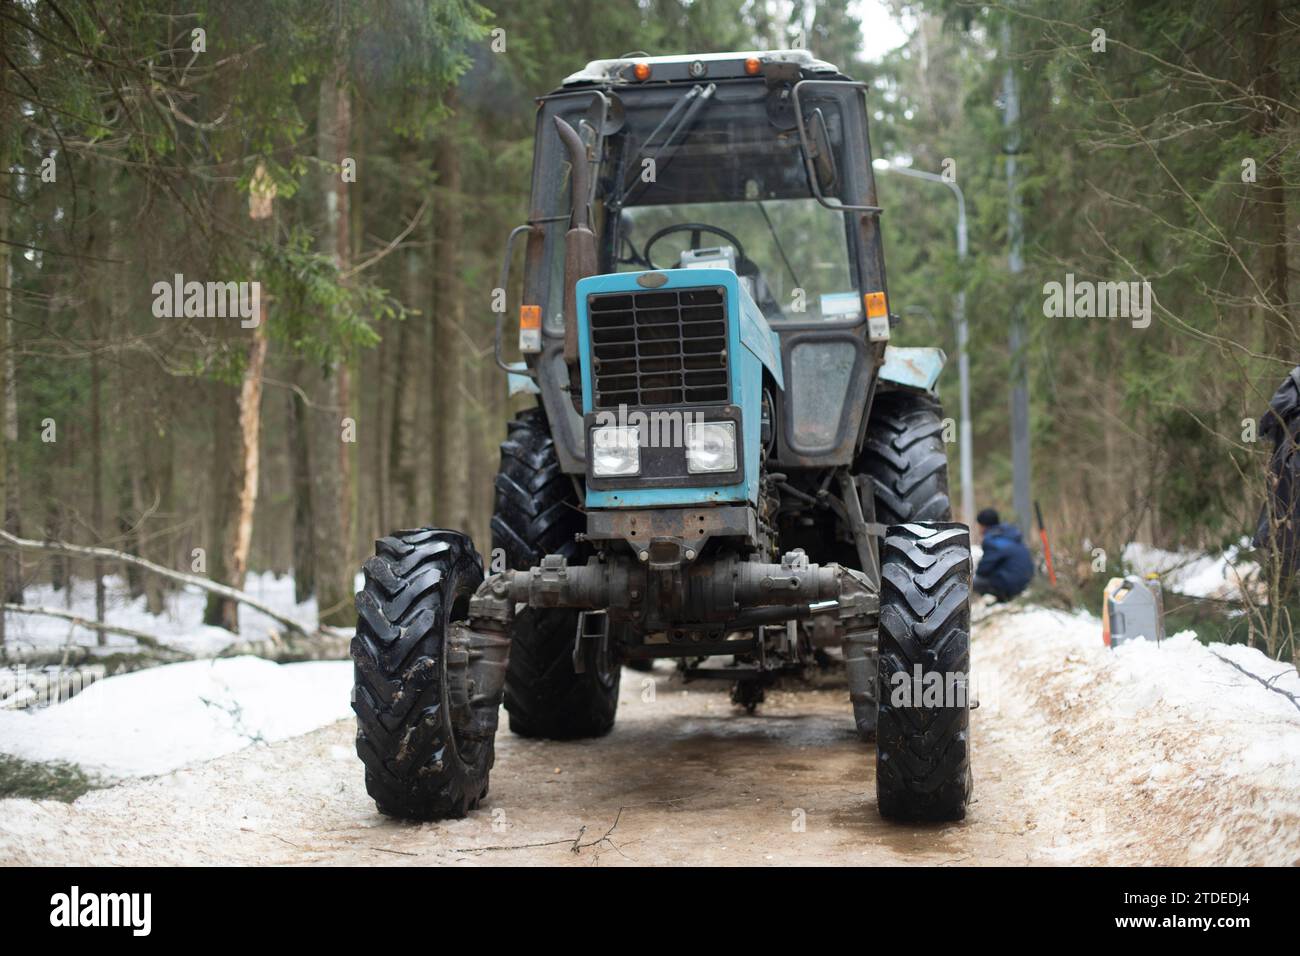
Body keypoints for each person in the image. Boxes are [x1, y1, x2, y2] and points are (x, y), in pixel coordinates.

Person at [973, 508, 1034, 601]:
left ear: (983, 526)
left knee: (974, 582)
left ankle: (999, 599)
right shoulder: (1009, 534)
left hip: (1011, 585)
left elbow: (983, 569)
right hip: (1025, 581)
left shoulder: (992, 540)